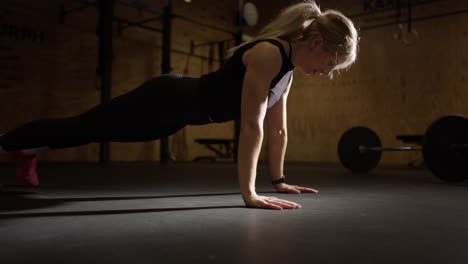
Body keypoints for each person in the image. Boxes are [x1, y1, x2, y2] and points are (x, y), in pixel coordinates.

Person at [0, 1, 359, 210]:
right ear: (315, 42)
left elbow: (278, 127)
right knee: (85, 126)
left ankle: (28, 149)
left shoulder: (290, 71)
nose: (327, 72)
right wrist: (249, 194)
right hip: (165, 98)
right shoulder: (268, 54)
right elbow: (252, 126)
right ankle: (10, 143)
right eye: (330, 63)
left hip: (176, 118)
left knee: (94, 132)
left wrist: (279, 181)